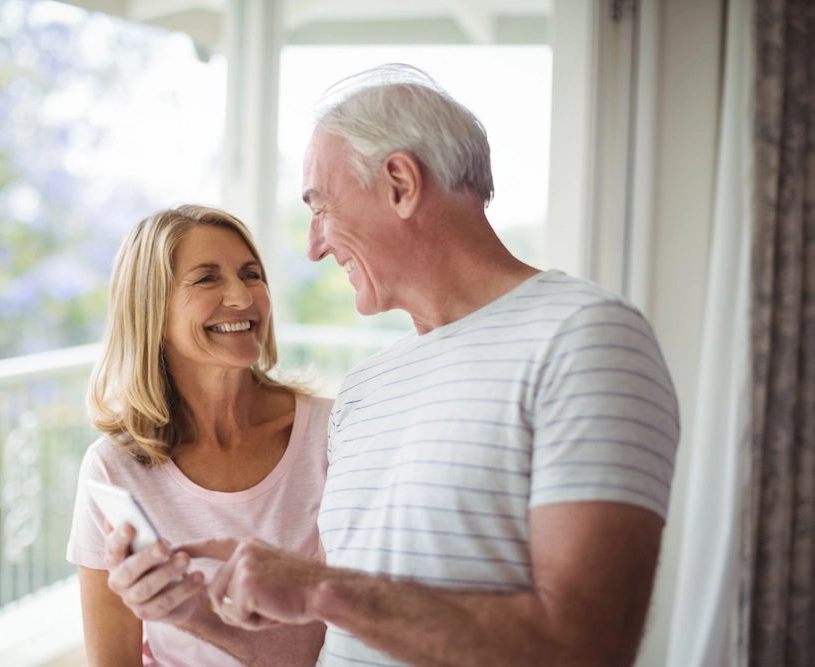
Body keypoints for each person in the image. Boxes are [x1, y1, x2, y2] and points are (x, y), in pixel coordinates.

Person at [106, 64, 680, 667]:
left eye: (321, 207)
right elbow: (326, 647)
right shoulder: (364, 392)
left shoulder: (583, 338)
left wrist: (317, 587)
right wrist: (191, 611)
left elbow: (586, 646)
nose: (313, 245)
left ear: (401, 183)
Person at [66, 205, 331, 666]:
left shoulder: (332, 434)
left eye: (251, 274)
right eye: (207, 279)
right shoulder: (114, 467)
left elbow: (353, 638)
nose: (242, 297)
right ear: (152, 311)